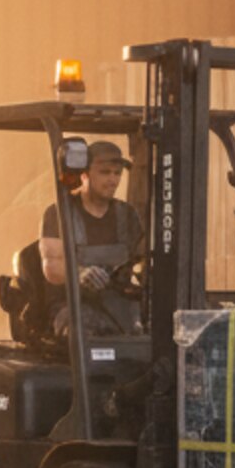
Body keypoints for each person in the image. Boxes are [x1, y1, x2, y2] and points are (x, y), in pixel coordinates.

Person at [41, 138, 144, 337]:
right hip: (71, 306)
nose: (112, 180)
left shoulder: (127, 215)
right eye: (105, 172)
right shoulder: (60, 213)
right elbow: (52, 267)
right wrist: (79, 273)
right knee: (89, 328)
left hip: (118, 303)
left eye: (117, 173)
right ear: (85, 174)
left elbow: (142, 259)